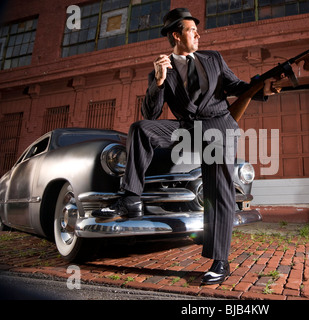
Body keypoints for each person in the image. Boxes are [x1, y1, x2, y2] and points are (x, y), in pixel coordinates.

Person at [93, 8, 279, 285]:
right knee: (140, 129)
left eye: (197, 30)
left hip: (217, 127)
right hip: (187, 130)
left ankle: (220, 261)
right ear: (176, 35)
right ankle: (130, 198)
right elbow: (150, 114)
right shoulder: (162, 69)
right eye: (193, 30)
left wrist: (264, 88)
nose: (198, 34)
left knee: (218, 189)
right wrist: (157, 82)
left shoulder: (213, 58)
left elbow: (238, 86)